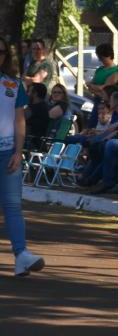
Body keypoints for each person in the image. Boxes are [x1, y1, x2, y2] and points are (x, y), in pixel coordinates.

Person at [0, 38, 45, 276]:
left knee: (13, 206)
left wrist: (19, 151)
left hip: (7, 152)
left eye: (2, 52)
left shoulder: (13, 84)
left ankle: (21, 256)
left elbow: (19, 119)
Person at [24, 83, 51, 151]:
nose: (27, 94)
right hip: (31, 141)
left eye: (29, 91)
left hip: (32, 144)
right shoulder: (41, 106)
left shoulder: (38, 107)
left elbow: (19, 118)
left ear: (35, 94)